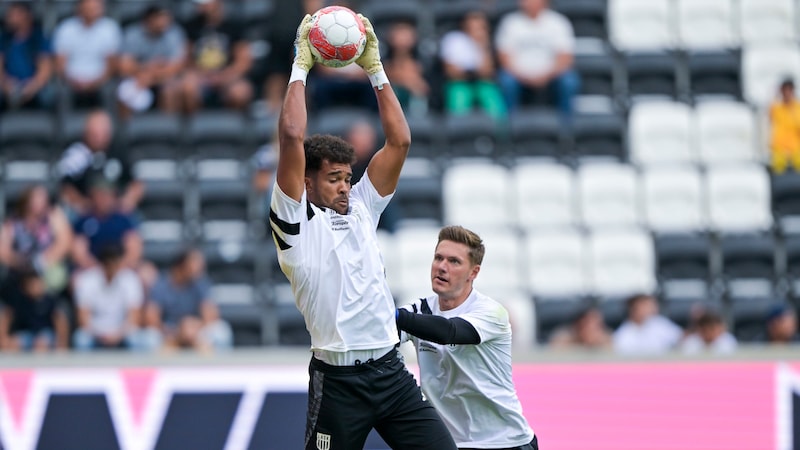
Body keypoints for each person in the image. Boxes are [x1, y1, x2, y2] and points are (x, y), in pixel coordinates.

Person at [270, 14, 456, 449]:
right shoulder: (294, 225)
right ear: (307, 183)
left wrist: (376, 70)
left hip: (391, 373)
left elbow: (400, 142)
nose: (345, 185)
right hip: (337, 383)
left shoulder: (362, 207)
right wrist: (301, 64)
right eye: (333, 177)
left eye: (348, 175)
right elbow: (292, 135)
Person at [396, 225, 538, 450]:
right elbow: (381, 338)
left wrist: (392, 315)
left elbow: (449, 331)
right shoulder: (418, 309)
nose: (442, 267)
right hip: (450, 444)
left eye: (454, 262)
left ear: (474, 272)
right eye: (438, 258)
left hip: (505, 442)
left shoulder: (492, 313)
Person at [495, 0, 579, 120]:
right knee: (506, 81)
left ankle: (566, 129)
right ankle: (508, 128)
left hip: (551, 76)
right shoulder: (510, 23)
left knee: (569, 81)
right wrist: (523, 75)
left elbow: (565, 58)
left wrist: (546, 75)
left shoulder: (558, 22)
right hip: (519, 76)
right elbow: (504, 57)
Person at [58, 109, 144, 216]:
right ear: (86, 132)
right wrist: (82, 204)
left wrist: (125, 202)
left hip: (116, 211)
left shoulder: (119, 150)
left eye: (104, 132)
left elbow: (136, 185)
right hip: (84, 212)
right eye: (95, 133)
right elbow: (65, 187)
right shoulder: (76, 152)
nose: (99, 137)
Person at [145, 248, 232, 351]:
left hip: (196, 329)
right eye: (195, 262)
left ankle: (214, 366)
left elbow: (211, 314)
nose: (200, 267)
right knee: (150, 338)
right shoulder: (161, 284)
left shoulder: (200, 282)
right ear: (182, 265)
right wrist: (175, 331)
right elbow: (151, 318)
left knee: (221, 331)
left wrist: (194, 327)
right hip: (169, 332)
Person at [176, 0, 253, 114]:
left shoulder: (234, 26)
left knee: (241, 92)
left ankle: (229, 127)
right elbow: (185, 59)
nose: (200, 6)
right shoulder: (190, 26)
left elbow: (243, 62)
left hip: (226, 75)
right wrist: (201, 74)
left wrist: (223, 76)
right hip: (200, 76)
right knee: (187, 87)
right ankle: (194, 127)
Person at [73, 243, 154, 351]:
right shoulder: (87, 280)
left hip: (123, 332)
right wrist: (101, 334)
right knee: (81, 339)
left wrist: (118, 334)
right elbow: (83, 319)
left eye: (115, 264)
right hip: (95, 333)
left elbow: (134, 318)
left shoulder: (130, 279)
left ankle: (134, 367)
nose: (112, 268)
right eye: (108, 264)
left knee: (151, 339)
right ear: (102, 264)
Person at [0, 185, 73, 297]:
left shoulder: (53, 215)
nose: (41, 203)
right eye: (37, 199)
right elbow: (3, 250)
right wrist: (19, 262)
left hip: (49, 265)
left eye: (43, 199)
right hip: (21, 268)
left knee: (54, 279)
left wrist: (43, 260)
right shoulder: (13, 221)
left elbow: (65, 242)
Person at [117, 5, 185, 117]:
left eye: (166, 18)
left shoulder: (173, 34)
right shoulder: (133, 34)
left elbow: (176, 66)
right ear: (149, 20)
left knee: (170, 90)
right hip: (137, 77)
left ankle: (168, 130)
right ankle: (125, 131)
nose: (164, 22)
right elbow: (124, 66)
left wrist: (150, 77)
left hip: (163, 79)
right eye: (160, 18)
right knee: (125, 92)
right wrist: (147, 68)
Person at [440, 8, 507, 121]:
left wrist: (482, 44)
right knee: (459, 97)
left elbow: (488, 71)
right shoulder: (453, 39)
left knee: (492, 98)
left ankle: (501, 133)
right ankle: (457, 133)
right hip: (460, 84)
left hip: (482, 83)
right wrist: (474, 72)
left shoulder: (485, 42)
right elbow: (451, 71)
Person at [53, 0, 121, 108]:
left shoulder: (109, 28)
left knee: (111, 91)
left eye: (96, 8)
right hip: (71, 80)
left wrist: (96, 82)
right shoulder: (66, 28)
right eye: (89, 8)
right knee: (60, 92)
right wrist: (72, 81)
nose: (92, 11)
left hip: (100, 80)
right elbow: (60, 63)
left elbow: (111, 64)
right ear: (79, 8)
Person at [70, 180, 142, 271]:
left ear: (113, 196)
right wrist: (99, 269)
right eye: (100, 195)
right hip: (91, 270)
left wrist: (116, 268)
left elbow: (133, 250)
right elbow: (79, 252)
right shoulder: (84, 220)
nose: (103, 199)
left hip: (121, 269)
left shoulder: (123, 220)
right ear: (93, 196)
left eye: (107, 195)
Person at [0, 1, 53, 110]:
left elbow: (45, 70)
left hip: (34, 86)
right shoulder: (3, 39)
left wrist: (31, 88)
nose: (8, 18)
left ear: (25, 16)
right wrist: (7, 85)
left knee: (49, 96)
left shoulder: (38, 38)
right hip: (9, 85)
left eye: (13, 15)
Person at [0, 269, 69, 352]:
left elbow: (60, 321)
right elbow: (7, 317)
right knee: (12, 344)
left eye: (37, 283)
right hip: (27, 333)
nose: (36, 287)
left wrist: (62, 344)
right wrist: (3, 339)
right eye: (32, 284)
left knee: (41, 343)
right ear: (25, 287)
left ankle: (41, 365)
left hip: (46, 333)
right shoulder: (20, 300)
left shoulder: (50, 300)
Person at [613, 294, 683, 355]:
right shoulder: (624, 333)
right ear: (633, 309)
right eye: (645, 305)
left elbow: (681, 339)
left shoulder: (659, 323)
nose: (650, 308)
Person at [384, 20, 429, 116]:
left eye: (406, 34)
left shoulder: (420, 62)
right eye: (399, 33)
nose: (402, 38)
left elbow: (424, 88)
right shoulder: (384, 62)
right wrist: (406, 81)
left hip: (414, 106)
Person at [769, 79, 800, 174]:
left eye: (789, 90)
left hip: (795, 147)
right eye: (784, 90)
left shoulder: (798, 108)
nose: (787, 93)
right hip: (779, 148)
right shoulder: (776, 108)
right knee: (777, 164)